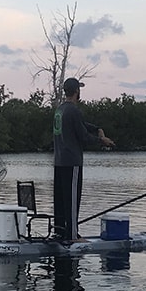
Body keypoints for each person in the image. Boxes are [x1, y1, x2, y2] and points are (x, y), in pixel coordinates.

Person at [52, 78, 115, 241]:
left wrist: (97, 128)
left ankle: (59, 232)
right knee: (72, 199)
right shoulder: (74, 110)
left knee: (61, 199)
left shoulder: (60, 110)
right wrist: (102, 141)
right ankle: (72, 236)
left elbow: (80, 125)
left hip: (59, 162)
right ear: (76, 92)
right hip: (72, 162)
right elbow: (83, 137)